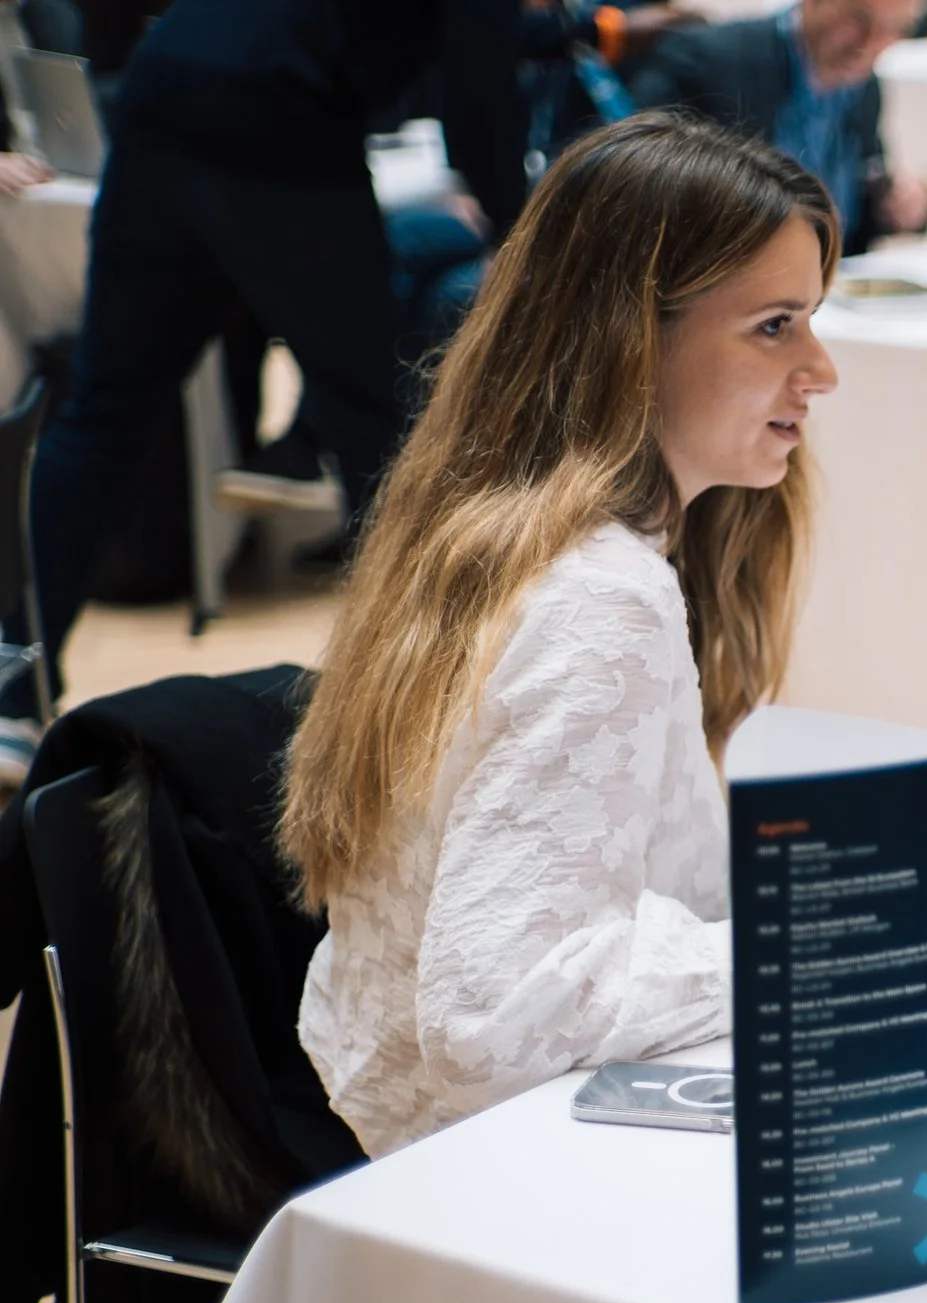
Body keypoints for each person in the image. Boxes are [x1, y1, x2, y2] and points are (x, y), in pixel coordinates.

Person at [280, 113, 927, 1159]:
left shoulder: (497, 526)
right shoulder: (602, 598)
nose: (821, 370)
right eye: (775, 326)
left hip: (388, 1122)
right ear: (633, 338)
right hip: (486, 1171)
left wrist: (857, 869)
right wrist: (845, 921)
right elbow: (495, 1018)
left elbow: (598, 868)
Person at [0, 0, 531, 785]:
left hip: (166, 86)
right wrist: (522, 237)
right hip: (282, 120)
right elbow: (479, 89)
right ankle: (418, 707)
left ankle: (14, 689)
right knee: (372, 427)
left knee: (107, 408)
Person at [629, 0, 927, 257]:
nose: (870, 42)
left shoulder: (863, 87)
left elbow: (861, 198)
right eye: (858, 19)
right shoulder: (709, 59)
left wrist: (902, 204)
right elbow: (636, 175)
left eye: (895, 28)